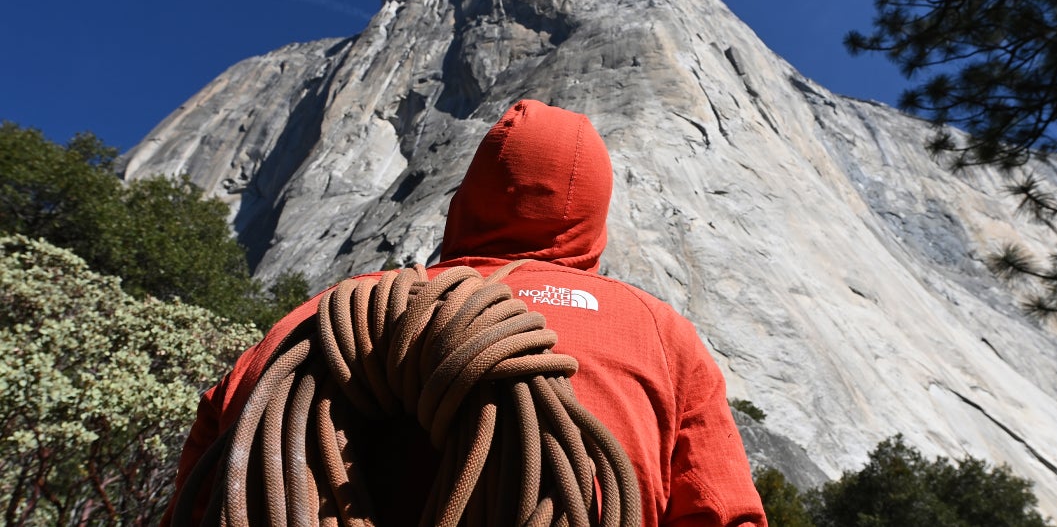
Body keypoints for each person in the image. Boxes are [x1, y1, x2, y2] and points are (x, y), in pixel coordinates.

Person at [164, 99, 767, 526]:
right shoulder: (661, 334)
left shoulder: (315, 318)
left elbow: (201, 492)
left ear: (464, 203)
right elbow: (723, 514)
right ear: (595, 225)